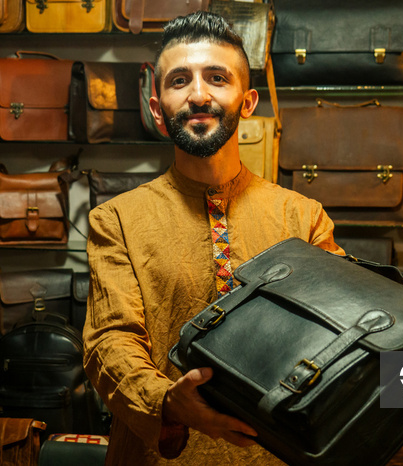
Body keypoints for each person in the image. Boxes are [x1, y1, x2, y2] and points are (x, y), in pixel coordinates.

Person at [83, 10, 344, 465]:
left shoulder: (303, 218)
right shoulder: (116, 220)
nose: (198, 94)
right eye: (179, 80)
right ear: (157, 108)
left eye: (217, 78)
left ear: (247, 102)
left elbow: (337, 337)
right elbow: (110, 340)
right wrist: (168, 401)